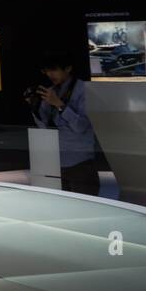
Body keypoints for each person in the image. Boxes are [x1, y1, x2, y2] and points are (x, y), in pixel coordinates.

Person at [25, 51, 99, 195]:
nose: (49, 75)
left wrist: (59, 105)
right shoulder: (50, 91)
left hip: (80, 162)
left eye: (54, 70)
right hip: (55, 162)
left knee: (85, 210)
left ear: (68, 68)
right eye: (46, 71)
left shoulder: (83, 90)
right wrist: (34, 107)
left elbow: (81, 126)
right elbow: (44, 129)